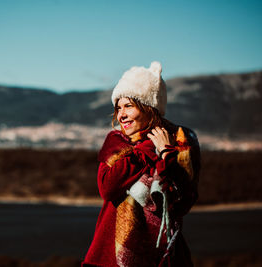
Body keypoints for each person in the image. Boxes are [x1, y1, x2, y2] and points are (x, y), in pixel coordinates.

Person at [82, 62, 200, 267]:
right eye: (118, 107)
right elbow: (108, 188)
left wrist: (166, 154)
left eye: (128, 106)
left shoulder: (181, 142)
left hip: (162, 257)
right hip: (112, 256)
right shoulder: (116, 143)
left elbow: (181, 202)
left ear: (149, 108)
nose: (121, 115)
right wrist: (145, 149)